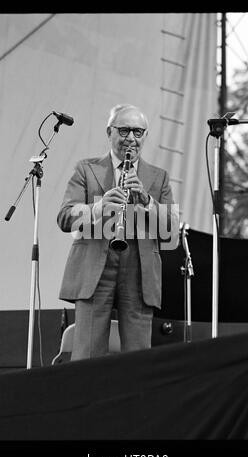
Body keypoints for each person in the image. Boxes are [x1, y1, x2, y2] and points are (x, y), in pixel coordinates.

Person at [57, 104, 179, 360]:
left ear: (145, 135)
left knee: (138, 358)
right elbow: (65, 216)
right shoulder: (86, 169)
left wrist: (147, 201)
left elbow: (171, 230)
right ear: (109, 132)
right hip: (94, 266)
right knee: (86, 357)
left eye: (138, 131)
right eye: (124, 131)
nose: (131, 138)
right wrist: (99, 207)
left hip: (139, 267)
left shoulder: (159, 177)